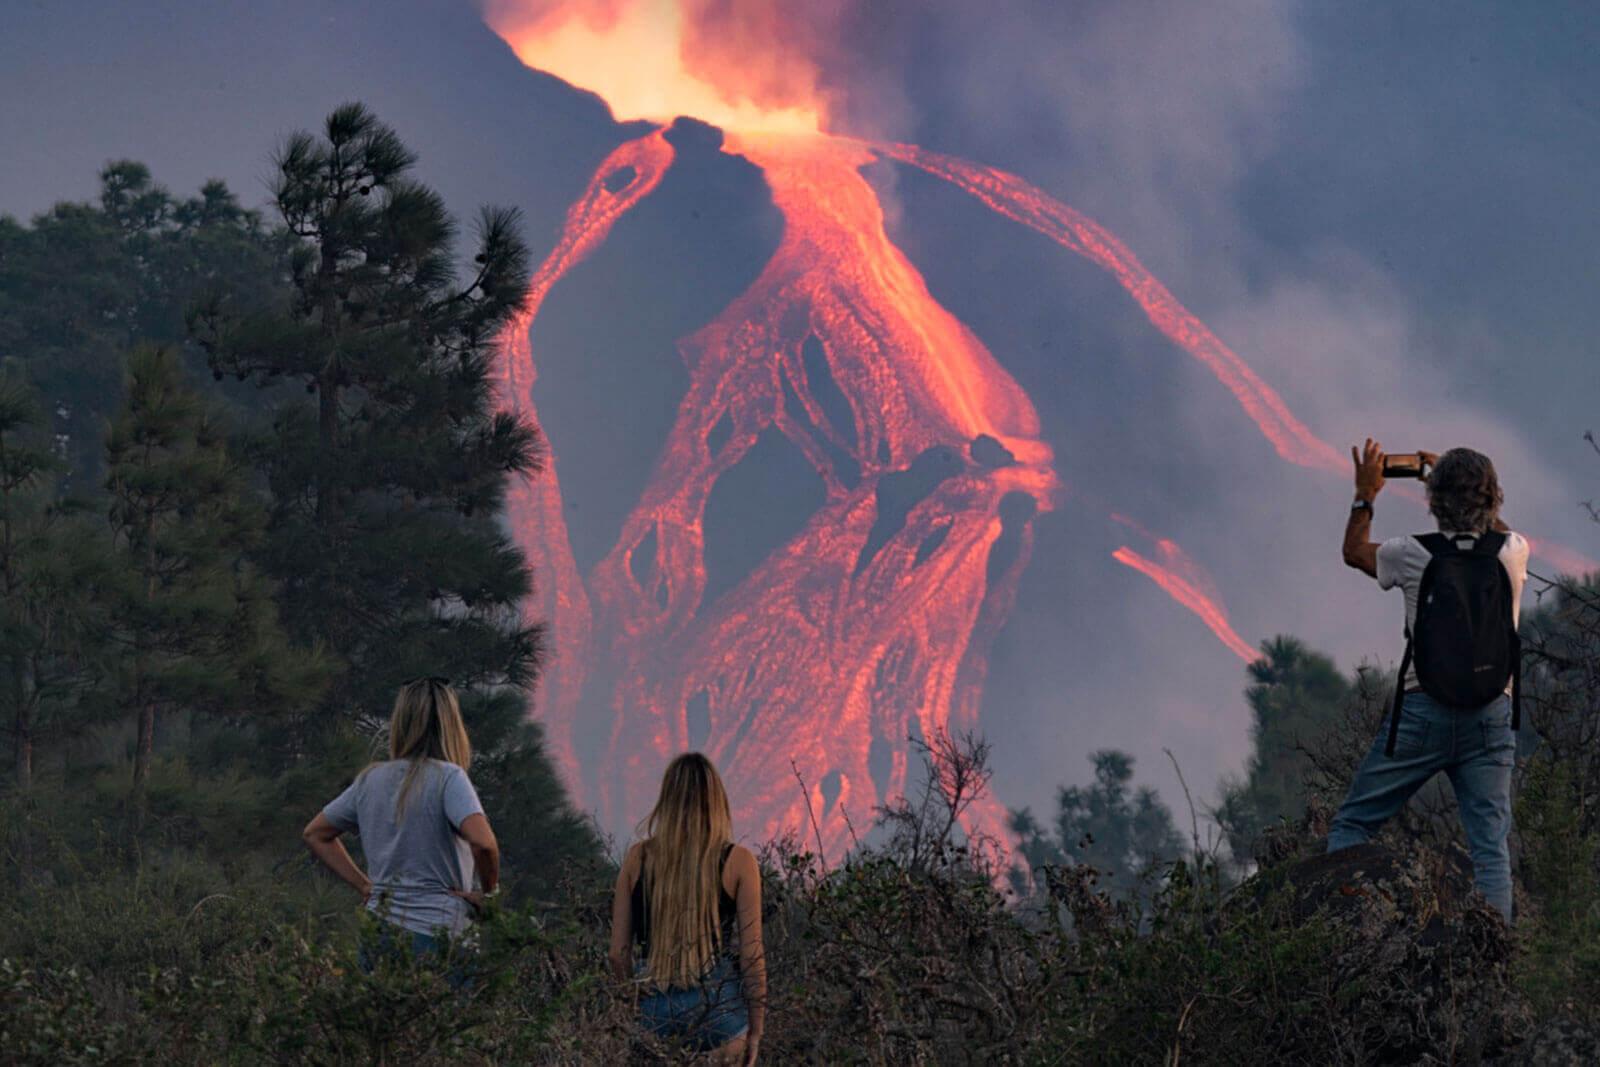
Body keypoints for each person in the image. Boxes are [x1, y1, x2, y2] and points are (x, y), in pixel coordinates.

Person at [1330, 441, 1528, 921]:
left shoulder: (1411, 553)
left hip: (1424, 712)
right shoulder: (1513, 553)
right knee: (1490, 854)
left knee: (1353, 826)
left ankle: (1341, 935)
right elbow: (1497, 532)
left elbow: (1354, 552)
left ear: (1434, 503)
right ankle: (1492, 964)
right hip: (1490, 719)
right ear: (1494, 499)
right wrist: (1463, 489)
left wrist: (1365, 494)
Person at [302, 677, 501, 963]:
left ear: (401, 723)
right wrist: (490, 898)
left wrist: (365, 886)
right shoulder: (449, 778)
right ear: (452, 726)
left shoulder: (370, 779)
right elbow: (484, 843)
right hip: (440, 934)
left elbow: (315, 833)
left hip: (379, 934)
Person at [610, 753, 767, 1065]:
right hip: (719, 1013)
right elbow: (752, 955)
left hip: (653, 1009)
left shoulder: (637, 858)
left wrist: (632, 1003)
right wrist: (756, 1030)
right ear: (717, 800)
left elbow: (618, 952)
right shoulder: (739, 862)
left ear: (666, 800)